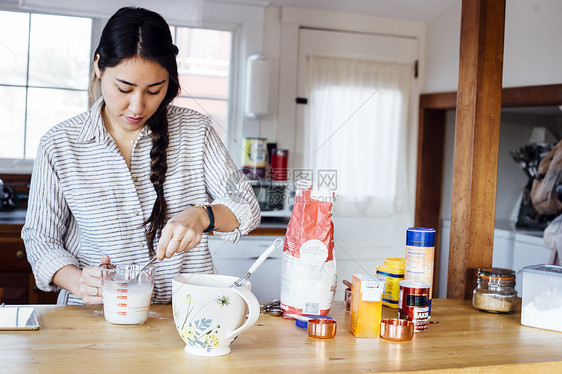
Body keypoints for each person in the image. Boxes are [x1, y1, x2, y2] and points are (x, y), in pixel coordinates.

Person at [21, 7, 261, 305]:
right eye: (124, 88)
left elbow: (247, 207)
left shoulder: (195, 130)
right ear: (98, 66)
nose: (137, 107)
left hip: (185, 315)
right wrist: (78, 280)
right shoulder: (60, 144)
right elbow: (40, 239)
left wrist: (203, 215)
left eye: (153, 90)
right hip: (94, 318)